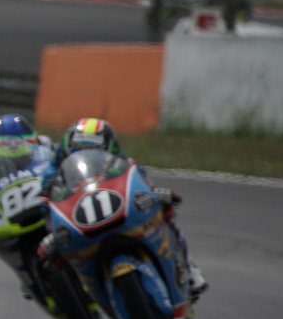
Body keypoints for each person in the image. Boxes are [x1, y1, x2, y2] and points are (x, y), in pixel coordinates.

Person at [37, 117, 208, 300]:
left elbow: (144, 185)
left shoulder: (126, 162)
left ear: (109, 148)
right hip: (81, 221)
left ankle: (191, 270)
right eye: (80, 151)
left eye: (95, 152)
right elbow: (48, 205)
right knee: (59, 255)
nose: (87, 156)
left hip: (120, 211)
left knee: (165, 213)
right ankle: (88, 293)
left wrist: (156, 195)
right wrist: (53, 233)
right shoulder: (53, 171)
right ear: (67, 150)